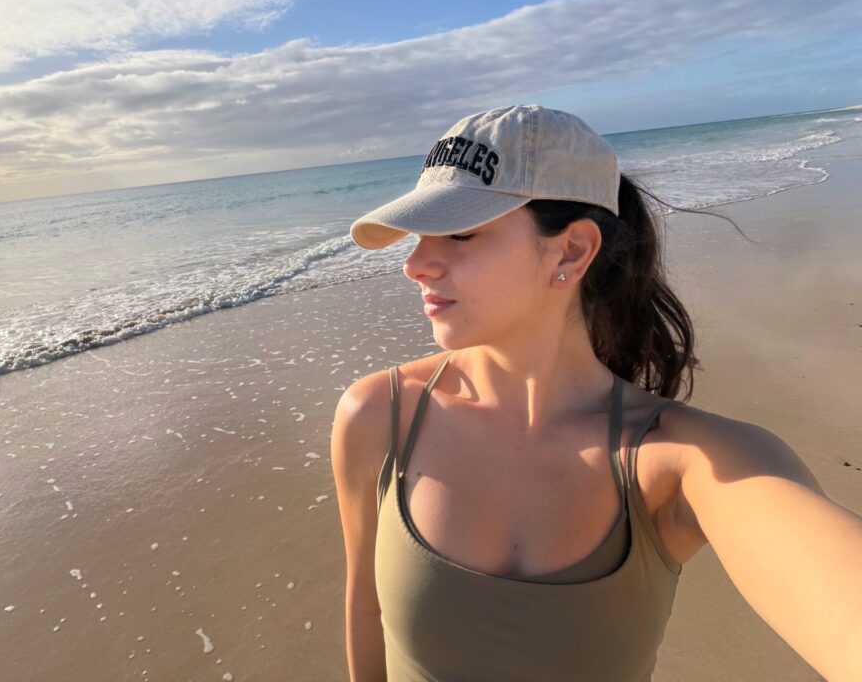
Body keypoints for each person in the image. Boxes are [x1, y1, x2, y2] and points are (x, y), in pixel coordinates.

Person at [329, 106, 862, 682]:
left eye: (460, 234)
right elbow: (365, 607)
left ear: (571, 251)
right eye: (419, 236)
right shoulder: (378, 415)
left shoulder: (686, 463)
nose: (415, 265)